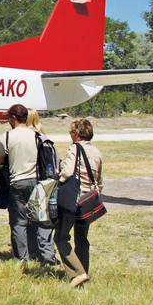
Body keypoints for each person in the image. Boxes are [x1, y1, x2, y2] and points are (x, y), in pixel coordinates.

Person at [0, 104, 57, 267]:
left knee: (19, 222)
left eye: (8, 118)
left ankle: (22, 258)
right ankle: (44, 254)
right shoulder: (36, 135)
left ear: (13, 118)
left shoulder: (7, 136)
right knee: (40, 220)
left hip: (17, 183)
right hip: (36, 182)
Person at [56, 118, 103, 287]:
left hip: (72, 199)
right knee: (82, 238)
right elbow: (99, 179)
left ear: (76, 134)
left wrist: (59, 178)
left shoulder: (75, 148)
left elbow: (67, 172)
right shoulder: (97, 152)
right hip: (88, 200)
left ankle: (77, 273)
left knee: (61, 237)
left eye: (71, 133)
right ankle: (84, 271)